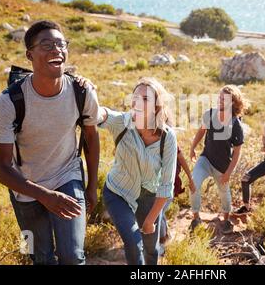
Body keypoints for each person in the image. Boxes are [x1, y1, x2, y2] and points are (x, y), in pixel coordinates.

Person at [0, 20, 101, 265]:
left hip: (67, 176)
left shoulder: (82, 92)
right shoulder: (9, 102)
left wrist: (92, 186)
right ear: (29, 55)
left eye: (61, 44)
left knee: (73, 257)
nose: (56, 49)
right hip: (24, 187)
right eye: (46, 44)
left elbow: (91, 138)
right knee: (38, 256)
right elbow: (0, 168)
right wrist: (44, 195)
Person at [99, 77, 177, 265]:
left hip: (150, 197)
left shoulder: (167, 138)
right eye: (135, 97)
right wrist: (89, 95)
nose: (137, 102)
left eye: (145, 99)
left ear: (156, 106)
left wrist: (151, 220)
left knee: (152, 249)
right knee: (134, 243)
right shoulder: (122, 122)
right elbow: (101, 114)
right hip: (118, 193)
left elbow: (166, 186)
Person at [189, 85, 246, 234]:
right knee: (194, 183)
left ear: (232, 103)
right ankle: (196, 219)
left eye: (224, 99)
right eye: (219, 97)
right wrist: (192, 147)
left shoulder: (235, 124)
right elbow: (201, 131)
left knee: (224, 193)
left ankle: (226, 220)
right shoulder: (210, 115)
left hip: (223, 166)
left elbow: (237, 152)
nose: (220, 100)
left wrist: (228, 173)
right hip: (206, 159)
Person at [159, 145, 195, 249]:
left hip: (170, 184)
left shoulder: (168, 138)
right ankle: (164, 236)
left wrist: (190, 178)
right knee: (157, 212)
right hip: (155, 185)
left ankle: (162, 241)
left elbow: (181, 158)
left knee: (158, 212)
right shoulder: (145, 139)